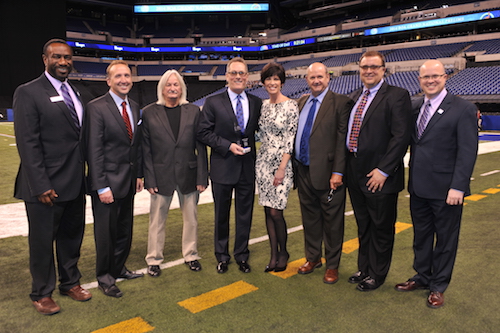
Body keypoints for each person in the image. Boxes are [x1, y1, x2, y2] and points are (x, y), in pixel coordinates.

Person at [13, 38, 91, 315]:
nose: (63, 62)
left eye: (67, 57)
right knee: (43, 241)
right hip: (45, 186)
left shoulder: (78, 93)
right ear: (45, 59)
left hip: (74, 182)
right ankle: (41, 292)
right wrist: (40, 184)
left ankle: (70, 282)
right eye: (57, 57)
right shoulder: (29, 92)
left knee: (71, 238)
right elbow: (27, 142)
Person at [395, 59, 478, 309]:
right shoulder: (414, 105)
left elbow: (467, 151)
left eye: (435, 76)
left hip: (446, 190)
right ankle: (422, 276)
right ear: (419, 81)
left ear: (445, 77)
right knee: (421, 237)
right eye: (425, 77)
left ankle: (438, 286)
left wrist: (459, 186)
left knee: (445, 240)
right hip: (418, 187)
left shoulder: (463, 108)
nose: (430, 81)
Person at [345, 51, 412, 292]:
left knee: (381, 226)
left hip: (379, 176)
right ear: (359, 70)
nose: (369, 71)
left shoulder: (397, 96)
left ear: (384, 69)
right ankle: (364, 268)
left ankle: (377, 274)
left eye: (374, 67)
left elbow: (401, 136)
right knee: (363, 225)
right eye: (364, 67)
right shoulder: (354, 96)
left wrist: (384, 170)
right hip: (355, 172)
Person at [197, 57, 262, 274]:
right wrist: (227, 145)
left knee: (245, 214)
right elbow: (203, 132)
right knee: (221, 215)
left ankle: (242, 255)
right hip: (222, 166)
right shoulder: (213, 102)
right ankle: (222, 256)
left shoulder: (255, 102)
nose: (238, 77)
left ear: (247, 76)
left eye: (242, 73)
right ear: (227, 76)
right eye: (233, 73)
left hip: (246, 167)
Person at [142, 69, 208, 277]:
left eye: (176, 84)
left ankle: (190, 255)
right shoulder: (149, 112)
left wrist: (202, 176)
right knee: (157, 220)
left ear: (182, 88)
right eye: (168, 85)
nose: (172, 88)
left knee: (191, 219)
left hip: (189, 174)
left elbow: (201, 147)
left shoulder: (194, 111)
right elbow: (146, 150)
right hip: (160, 176)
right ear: (162, 88)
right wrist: (149, 178)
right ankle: (153, 258)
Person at [86, 60, 144, 298]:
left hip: (128, 182)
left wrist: (139, 174)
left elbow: (135, 145)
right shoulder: (96, 107)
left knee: (124, 230)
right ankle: (105, 277)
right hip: (107, 184)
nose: (124, 80)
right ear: (108, 81)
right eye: (118, 76)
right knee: (105, 234)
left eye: (127, 76)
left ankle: (119, 268)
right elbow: (94, 149)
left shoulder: (135, 106)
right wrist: (101, 185)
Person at [294, 62, 352, 284]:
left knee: (332, 222)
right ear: (306, 80)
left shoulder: (341, 103)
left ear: (328, 78)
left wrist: (338, 172)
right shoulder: (301, 102)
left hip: (329, 174)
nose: (316, 81)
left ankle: (333, 265)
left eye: (320, 77)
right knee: (310, 219)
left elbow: (341, 141)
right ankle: (313, 258)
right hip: (304, 170)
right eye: (312, 77)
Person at [255, 63, 299, 272]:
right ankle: (273, 255)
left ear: (281, 82)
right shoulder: (262, 105)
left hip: (282, 164)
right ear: (263, 82)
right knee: (267, 210)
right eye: (268, 79)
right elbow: (258, 134)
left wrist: (282, 168)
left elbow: (290, 139)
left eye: (276, 79)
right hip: (263, 162)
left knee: (276, 212)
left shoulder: (291, 105)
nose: (272, 82)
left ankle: (284, 252)